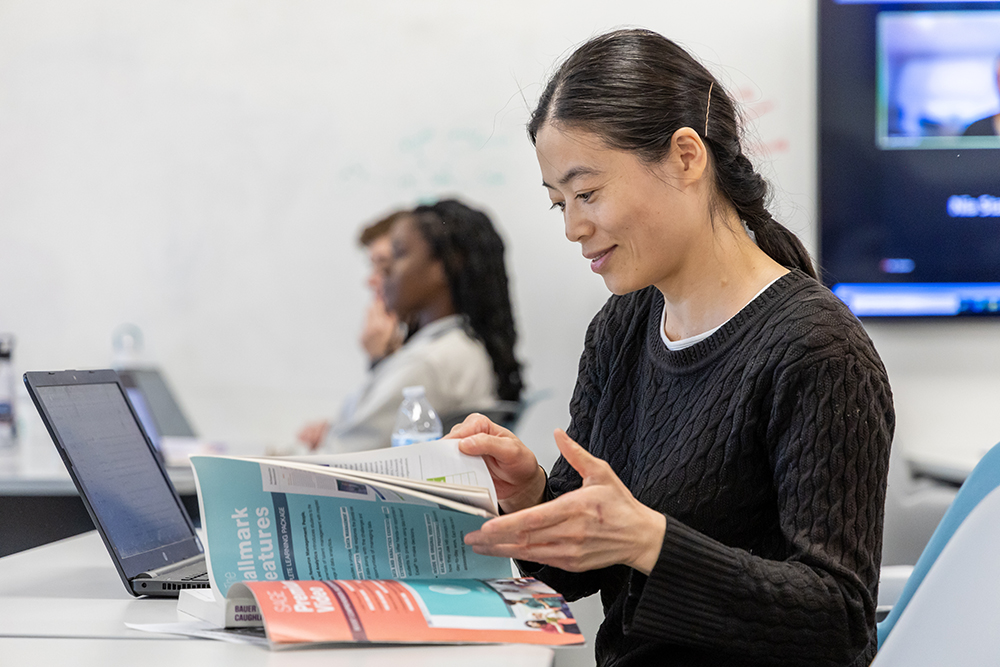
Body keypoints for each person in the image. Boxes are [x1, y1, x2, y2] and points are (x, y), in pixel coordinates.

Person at [453, 29, 894, 667]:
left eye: (589, 193)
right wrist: (530, 499)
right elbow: (580, 572)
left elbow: (840, 621)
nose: (575, 227)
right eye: (560, 204)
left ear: (686, 157)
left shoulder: (818, 352)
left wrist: (652, 540)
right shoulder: (621, 327)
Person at [312, 198, 524, 452]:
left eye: (398, 254)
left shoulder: (427, 362)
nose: (384, 272)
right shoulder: (459, 344)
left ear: (445, 265)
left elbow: (340, 455)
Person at [297, 209, 410, 449]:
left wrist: (381, 361)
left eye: (385, 266)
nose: (371, 280)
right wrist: (337, 429)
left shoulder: (426, 360)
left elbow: (361, 448)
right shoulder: (408, 347)